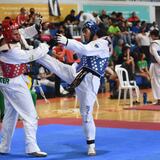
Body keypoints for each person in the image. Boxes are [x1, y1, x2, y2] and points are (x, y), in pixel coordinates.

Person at [37, 20, 112, 156]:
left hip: (89, 81)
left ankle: (91, 145)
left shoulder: (103, 42)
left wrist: (66, 41)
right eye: (83, 31)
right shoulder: (88, 43)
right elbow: (80, 51)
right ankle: (33, 52)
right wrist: (56, 45)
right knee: (53, 64)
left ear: (94, 30)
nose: (84, 33)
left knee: (86, 114)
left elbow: (85, 50)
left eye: (86, 31)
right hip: (76, 72)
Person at [0, 19, 49, 157]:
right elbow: (32, 55)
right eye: (14, 32)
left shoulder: (3, 38)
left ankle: (4, 146)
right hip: (14, 83)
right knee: (31, 115)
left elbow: (23, 33)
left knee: (10, 114)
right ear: (9, 34)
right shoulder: (12, 52)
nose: (17, 34)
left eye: (17, 31)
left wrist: (36, 27)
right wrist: (44, 46)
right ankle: (31, 147)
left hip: (4, 82)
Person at [149, 29, 160, 105]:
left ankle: (159, 99)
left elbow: (156, 55)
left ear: (153, 35)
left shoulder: (154, 43)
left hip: (156, 64)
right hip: (157, 64)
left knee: (155, 81)